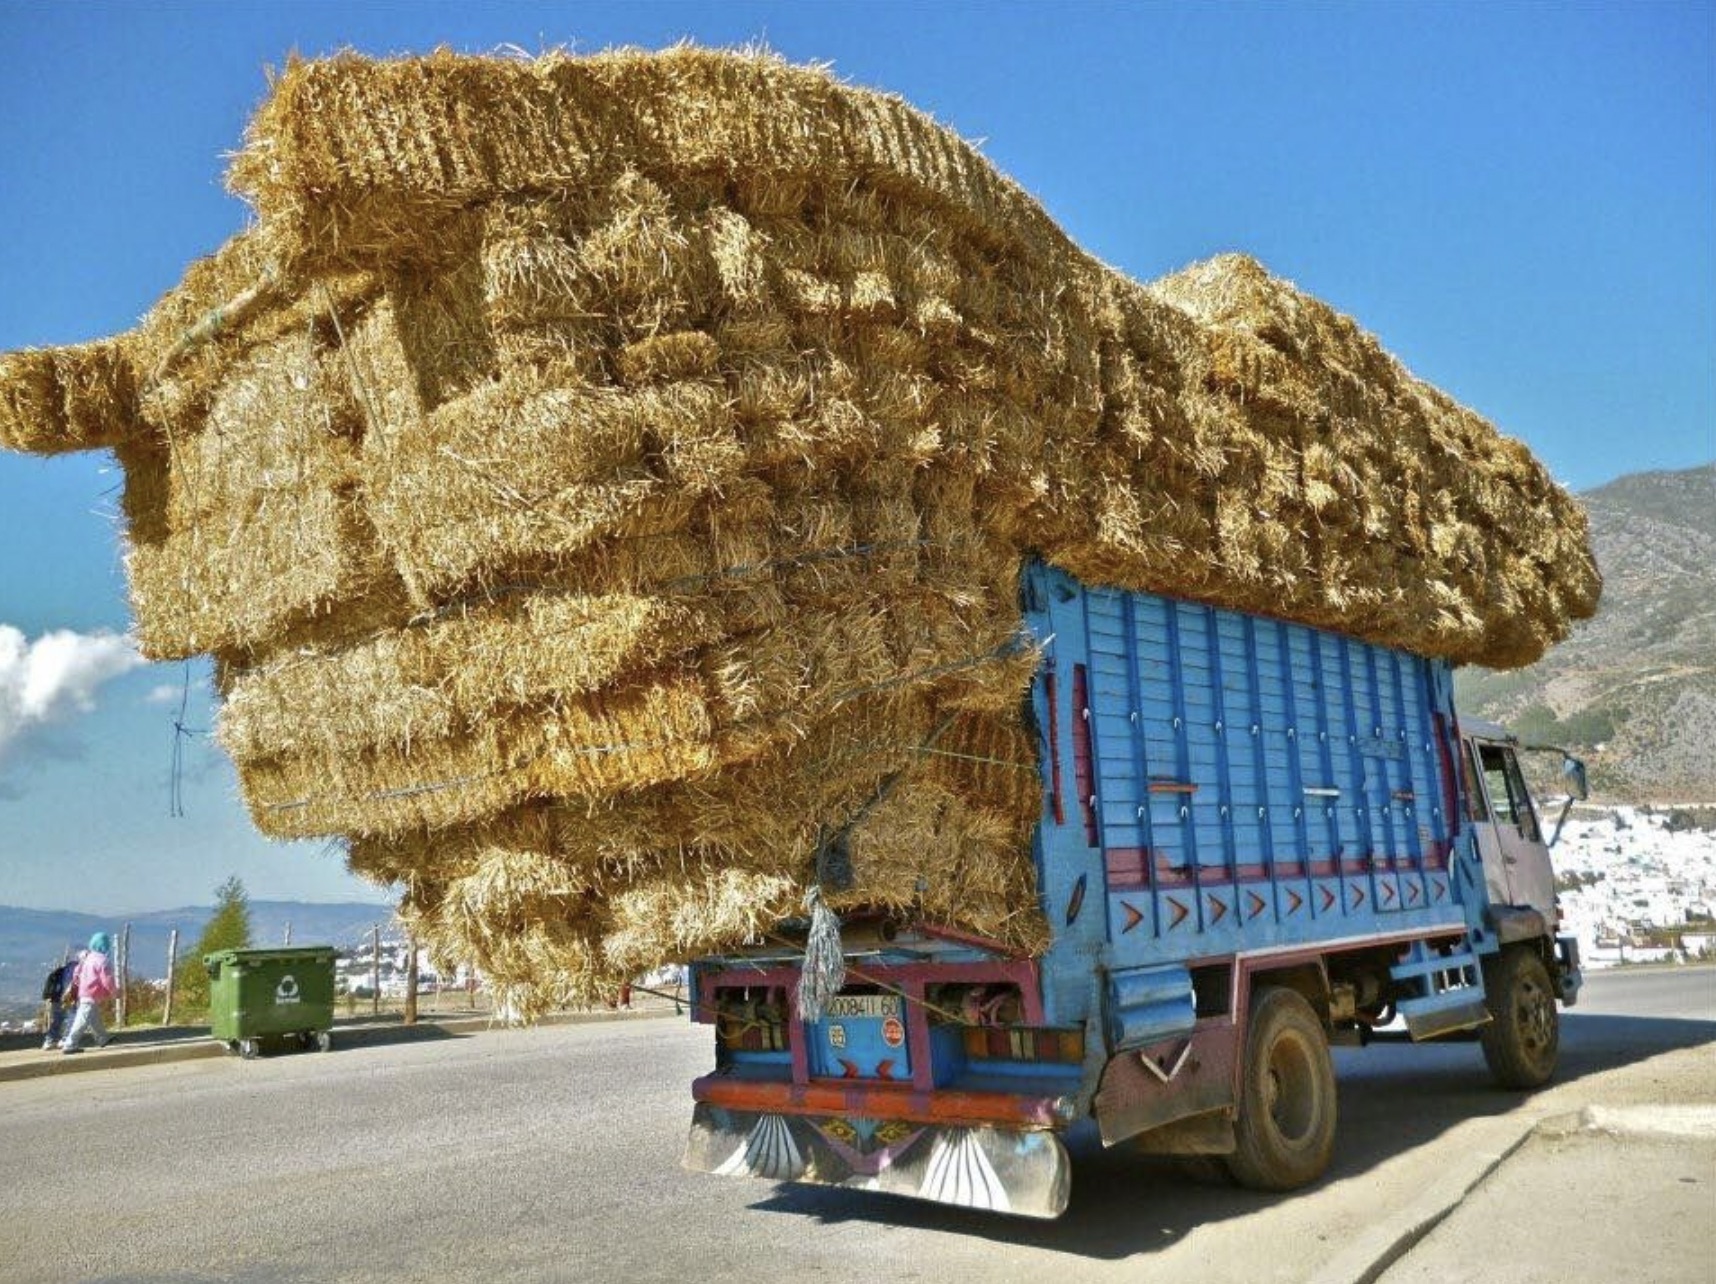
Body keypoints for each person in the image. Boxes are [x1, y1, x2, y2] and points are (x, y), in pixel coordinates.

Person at [60, 933, 117, 1054]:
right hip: (93, 993)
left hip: (84, 991)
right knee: (82, 1019)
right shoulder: (103, 961)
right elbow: (107, 980)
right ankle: (70, 1044)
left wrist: (76, 984)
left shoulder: (88, 958)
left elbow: (77, 972)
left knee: (94, 1017)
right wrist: (114, 992)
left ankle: (102, 1038)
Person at [40, 955, 79, 1050]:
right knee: (72, 1017)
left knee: (57, 1019)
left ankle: (50, 1040)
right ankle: (65, 1039)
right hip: (68, 998)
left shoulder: (60, 970)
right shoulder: (77, 969)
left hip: (56, 997)